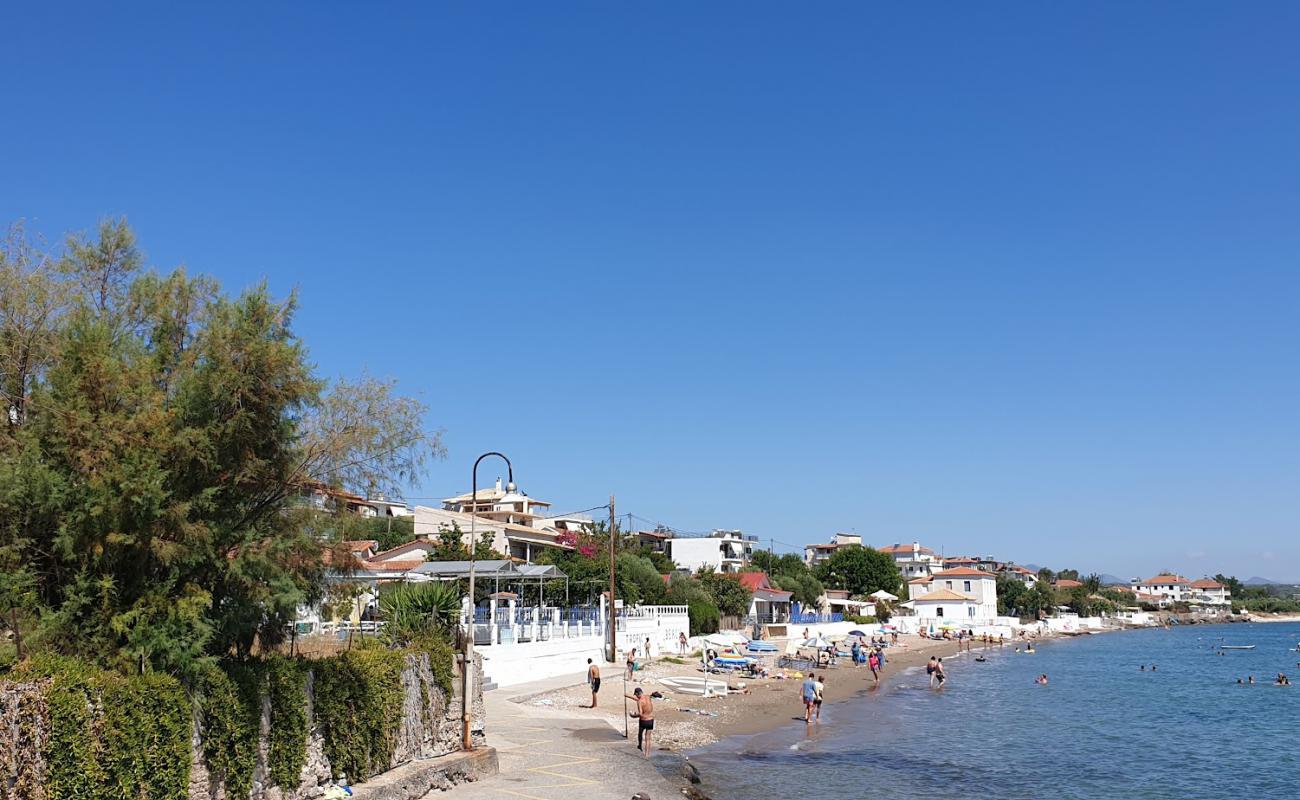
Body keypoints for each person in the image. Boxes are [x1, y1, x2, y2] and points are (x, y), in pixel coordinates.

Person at [626, 687, 655, 756]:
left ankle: (640, 745)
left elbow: (641, 713)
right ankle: (647, 754)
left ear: (637, 694)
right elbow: (638, 699)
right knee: (648, 738)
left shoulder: (639, 702)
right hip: (651, 720)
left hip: (644, 721)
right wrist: (627, 696)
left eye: (636, 695)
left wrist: (633, 716)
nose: (636, 696)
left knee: (640, 733)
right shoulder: (648, 697)